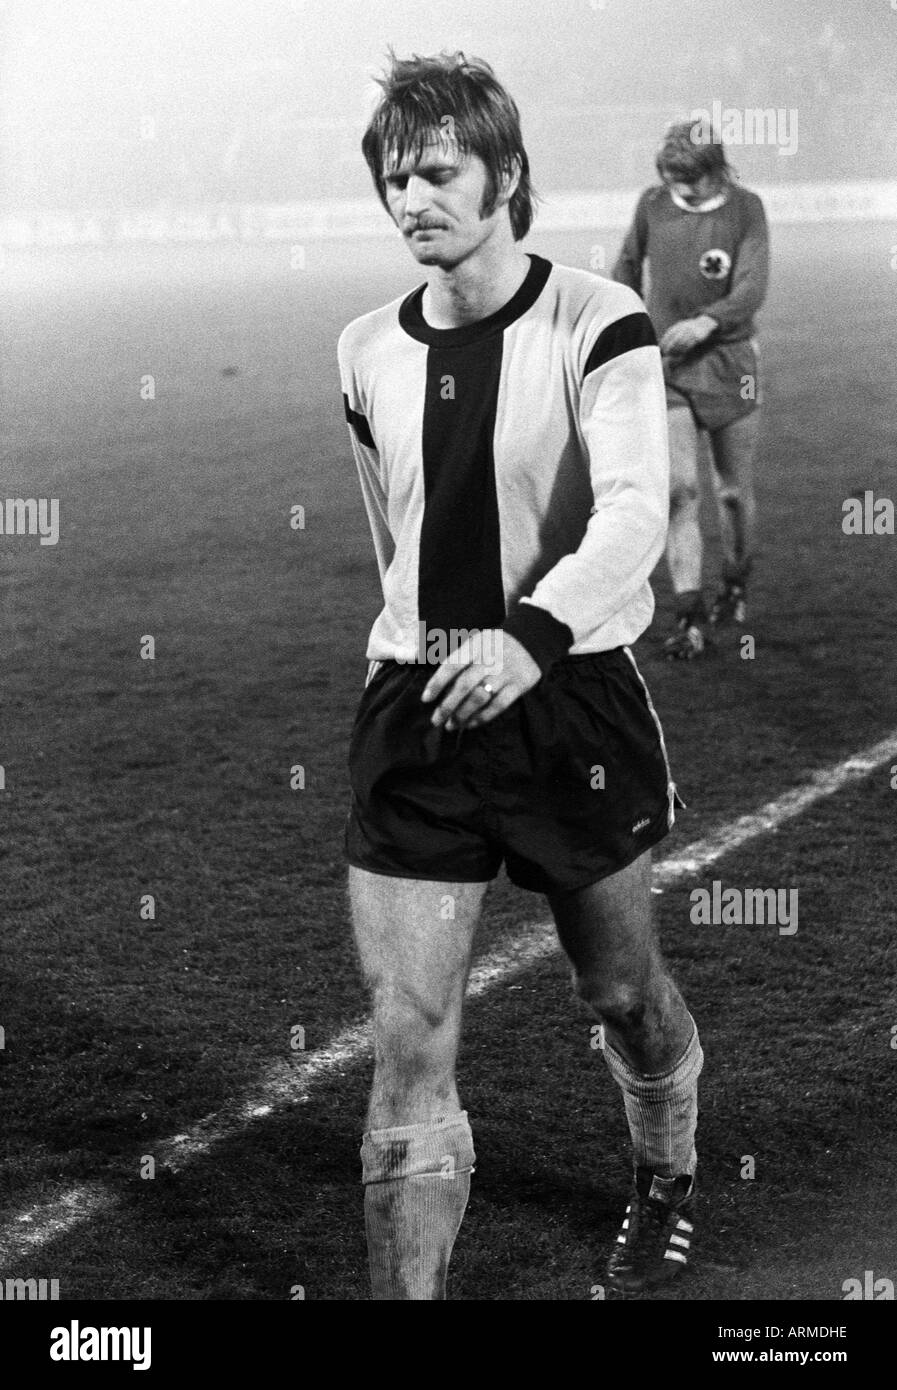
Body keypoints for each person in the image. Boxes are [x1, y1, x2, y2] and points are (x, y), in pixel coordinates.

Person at [338, 52, 702, 1300]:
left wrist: (528, 635)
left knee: (619, 990)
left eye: (438, 171)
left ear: (508, 176)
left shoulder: (599, 319)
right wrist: (422, 651)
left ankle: (665, 1172)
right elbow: (394, 536)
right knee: (407, 1034)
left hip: (566, 702)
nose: (411, 199)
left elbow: (637, 514)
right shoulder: (360, 350)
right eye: (395, 177)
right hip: (418, 714)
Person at [613, 120, 770, 658]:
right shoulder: (652, 204)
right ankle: (689, 618)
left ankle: (735, 580)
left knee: (731, 494)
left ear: (717, 171)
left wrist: (709, 321)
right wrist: (623, 328)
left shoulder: (747, 209)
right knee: (679, 490)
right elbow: (627, 269)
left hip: (730, 366)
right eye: (674, 181)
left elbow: (751, 286)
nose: (682, 191)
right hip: (668, 368)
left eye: (692, 181)